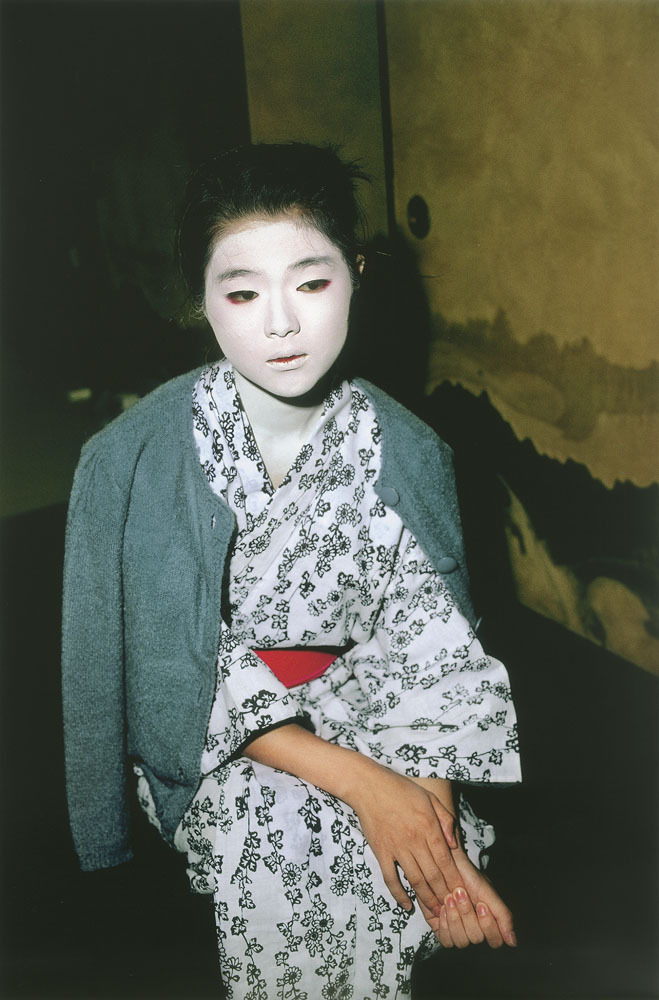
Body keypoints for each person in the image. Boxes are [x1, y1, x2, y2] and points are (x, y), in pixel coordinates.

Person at [62, 142, 521, 999]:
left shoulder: (410, 451)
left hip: (366, 711)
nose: (279, 323)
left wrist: (433, 830)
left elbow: (431, 655)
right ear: (200, 301)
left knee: (409, 884)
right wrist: (364, 787)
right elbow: (166, 669)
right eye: (240, 293)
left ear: (354, 273)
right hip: (215, 738)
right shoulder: (130, 457)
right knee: (290, 856)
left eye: (310, 284)